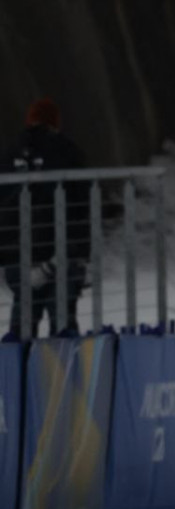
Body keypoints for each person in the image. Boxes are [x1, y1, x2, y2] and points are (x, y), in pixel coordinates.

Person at [0, 97, 88, 337]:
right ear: (55, 123)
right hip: (59, 255)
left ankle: (14, 370)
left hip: (18, 256)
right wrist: (80, 254)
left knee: (21, 325)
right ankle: (63, 372)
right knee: (63, 325)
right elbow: (82, 204)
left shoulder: (9, 153)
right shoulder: (67, 151)